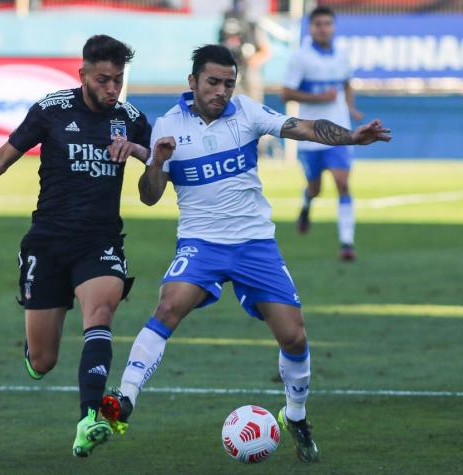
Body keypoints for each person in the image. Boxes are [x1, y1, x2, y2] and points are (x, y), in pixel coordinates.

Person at [99, 44, 390, 463]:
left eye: (228, 83)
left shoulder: (248, 113)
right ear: (193, 82)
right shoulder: (168, 124)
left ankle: (295, 415)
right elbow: (149, 197)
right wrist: (157, 163)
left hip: (255, 243)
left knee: (294, 335)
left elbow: (300, 127)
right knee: (168, 306)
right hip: (201, 242)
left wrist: (349, 137)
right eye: (213, 82)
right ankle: (124, 397)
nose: (221, 91)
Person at [0, 35, 152, 458]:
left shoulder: (132, 119)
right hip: (47, 243)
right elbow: (2, 157)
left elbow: (154, 188)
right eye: (103, 79)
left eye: (118, 80)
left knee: (100, 312)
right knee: (43, 362)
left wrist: (141, 154)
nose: (112, 89)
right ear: (83, 75)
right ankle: (35, 349)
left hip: (100, 241)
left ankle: (89, 418)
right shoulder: (51, 110)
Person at [282, 5, 364, 261]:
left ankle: (347, 243)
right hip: (311, 133)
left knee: (342, 183)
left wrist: (351, 107)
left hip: (339, 132)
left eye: (327, 24)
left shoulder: (342, 54)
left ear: (334, 27)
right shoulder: (300, 57)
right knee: (315, 188)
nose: (323, 29)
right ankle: (307, 205)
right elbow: (286, 93)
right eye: (318, 24)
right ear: (311, 28)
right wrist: (319, 97)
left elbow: (347, 82)